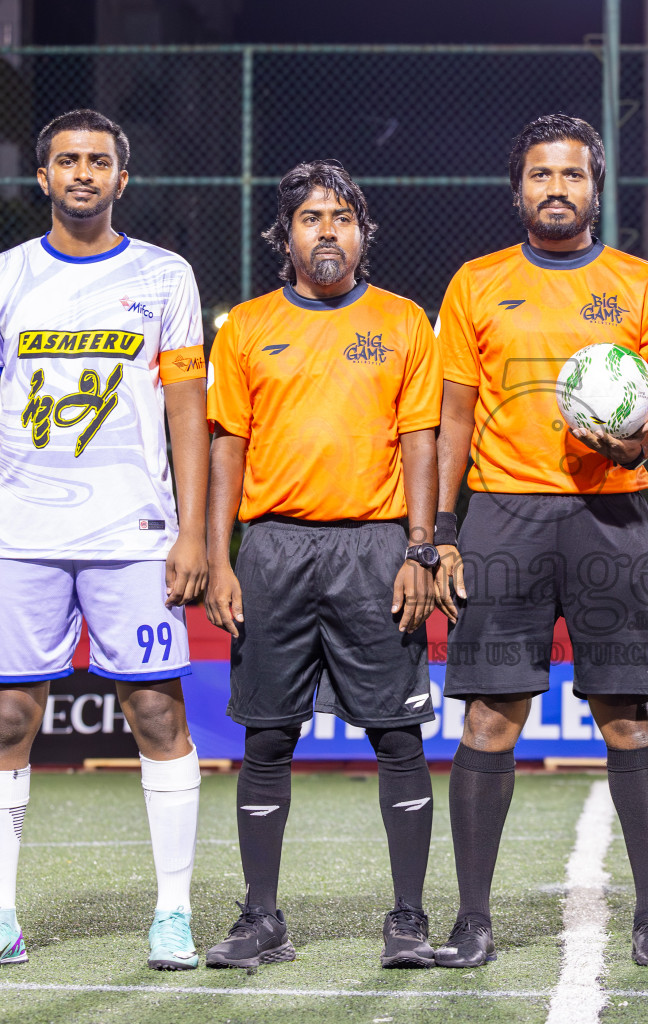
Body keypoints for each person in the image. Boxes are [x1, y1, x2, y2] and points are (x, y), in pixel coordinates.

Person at [0, 109, 210, 972]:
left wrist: (194, 535)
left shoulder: (165, 276)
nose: (84, 174)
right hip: (21, 537)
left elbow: (187, 412)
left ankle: (172, 912)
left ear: (122, 179)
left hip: (135, 536)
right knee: (10, 714)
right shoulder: (0, 277)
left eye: (99, 161)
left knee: (157, 711)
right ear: (43, 177)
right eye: (68, 161)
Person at [433, 114, 648, 969]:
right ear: (519, 190)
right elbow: (453, 417)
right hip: (502, 514)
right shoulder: (475, 283)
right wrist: (440, 530)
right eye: (541, 175)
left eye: (572, 175)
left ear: (596, 189)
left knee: (629, 716)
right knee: (489, 717)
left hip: (612, 517)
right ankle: (472, 920)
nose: (556, 189)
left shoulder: (643, 284)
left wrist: (635, 444)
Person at [203, 160, 442, 971]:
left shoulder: (406, 322)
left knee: (397, 733)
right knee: (267, 735)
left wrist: (421, 547)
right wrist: (218, 554)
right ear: (287, 235)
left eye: (342, 216)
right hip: (272, 547)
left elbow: (422, 442)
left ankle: (408, 918)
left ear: (363, 233)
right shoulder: (243, 328)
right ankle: (261, 917)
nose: (328, 229)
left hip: (375, 545)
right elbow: (225, 446)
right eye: (312, 217)